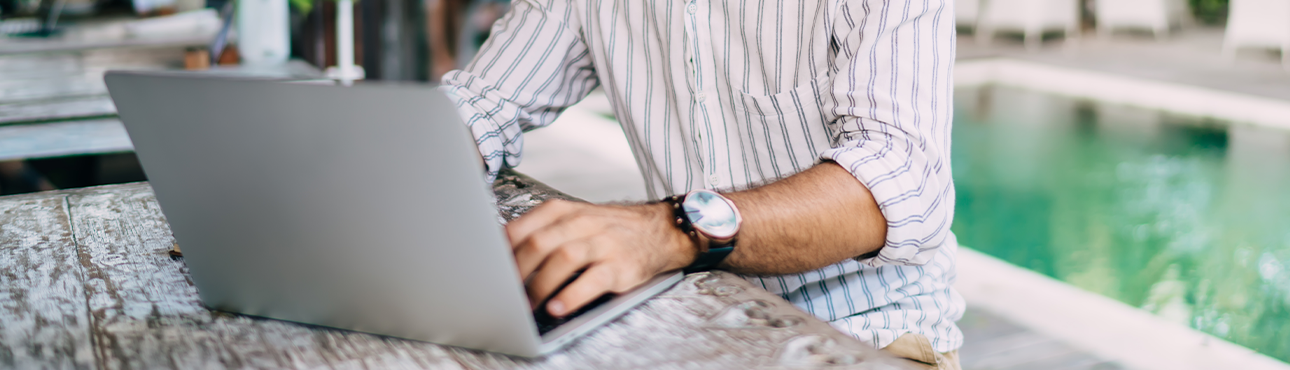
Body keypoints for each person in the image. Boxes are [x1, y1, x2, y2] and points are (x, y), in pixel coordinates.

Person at [439, 0, 963, 368]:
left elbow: (901, 181)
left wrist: (668, 230)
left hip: (866, 337)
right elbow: (483, 105)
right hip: (697, 320)